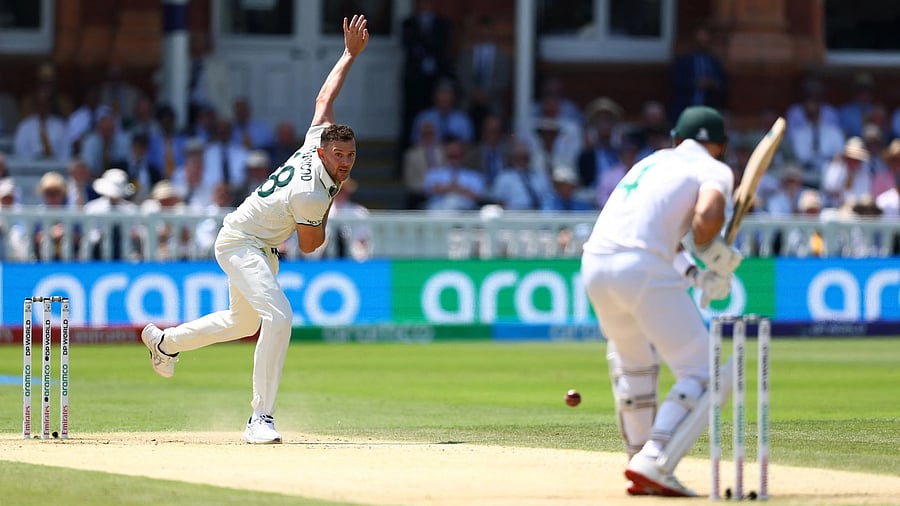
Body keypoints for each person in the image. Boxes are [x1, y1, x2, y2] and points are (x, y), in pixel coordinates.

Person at [139, 14, 369, 445]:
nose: (345, 162)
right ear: (322, 151)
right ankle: (259, 419)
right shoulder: (313, 195)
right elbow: (312, 244)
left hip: (256, 245)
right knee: (279, 317)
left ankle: (165, 343)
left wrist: (348, 54)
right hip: (241, 242)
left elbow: (324, 96)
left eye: (351, 156)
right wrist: (329, 202)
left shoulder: (313, 140)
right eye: (338, 155)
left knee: (241, 322)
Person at [580, 106, 742, 496]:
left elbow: (656, 234)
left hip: (595, 265)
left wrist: (697, 275)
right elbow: (704, 221)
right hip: (642, 267)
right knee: (706, 374)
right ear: (718, 145)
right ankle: (654, 458)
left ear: (676, 138)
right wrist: (713, 254)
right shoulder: (714, 168)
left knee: (634, 365)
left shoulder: (649, 163)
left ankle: (638, 456)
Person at [670, 25, 728, 122]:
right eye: (699, 37)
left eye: (704, 37)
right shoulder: (684, 60)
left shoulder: (714, 62)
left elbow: (723, 85)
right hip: (686, 105)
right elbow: (676, 81)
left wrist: (712, 83)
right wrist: (695, 83)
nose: (702, 41)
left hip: (708, 107)